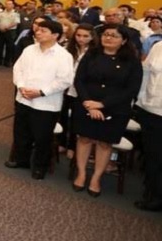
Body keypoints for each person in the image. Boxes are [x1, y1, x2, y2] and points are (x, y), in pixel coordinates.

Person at [72, 24, 142, 196]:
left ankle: (96, 178)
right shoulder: (91, 54)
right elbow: (79, 80)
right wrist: (88, 102)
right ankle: (81, 173)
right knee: (84, 139)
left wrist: (102, 105)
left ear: (124, 40)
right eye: (105, 34)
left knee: (104, 143)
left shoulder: (132, 61)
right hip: (86, 104)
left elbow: (131, 89)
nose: (108, 38)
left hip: (115, 109)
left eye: (114, 36)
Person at [7, 19, 74, 180]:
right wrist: (21, 86)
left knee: (42, 138)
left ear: (55, 35)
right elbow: (18, 69)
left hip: (46, 104)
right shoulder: (29, 49)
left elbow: (64, 80)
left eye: (43, 31)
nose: (38, 32)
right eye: (38, 29)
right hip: (24, 99)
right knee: (21, 133)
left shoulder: (63, 55)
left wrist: (41, 92)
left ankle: (39, 167)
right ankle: (22, 160)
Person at [59, 23, 97, 159]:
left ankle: (72, 146)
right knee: (62, 116)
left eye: (85, 36)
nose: (81, 39)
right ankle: (61, 142)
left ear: (92, 37)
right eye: (79, 35)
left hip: (82, 90)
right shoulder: (68, 48)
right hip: (65, 88)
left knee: (77, 119)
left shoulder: (95, 53)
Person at [134, 42, 162, 211]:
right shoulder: (158, 46)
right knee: (152, 156)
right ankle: (153, 193)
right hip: (150, 110)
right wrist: (141, 100)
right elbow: (145, 74)